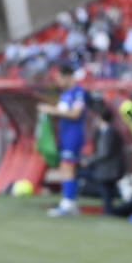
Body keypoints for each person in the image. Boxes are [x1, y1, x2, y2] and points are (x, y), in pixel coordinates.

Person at [38, 63, 87, 217]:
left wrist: (51, 110)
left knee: (68, 167)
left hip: (73, 134)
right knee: (64, 166)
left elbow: (75, 114)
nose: (57, 82)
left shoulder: (78, 92)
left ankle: (68, 203)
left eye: (59, 78)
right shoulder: (65, 94)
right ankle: (69, 201)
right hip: (64, 133)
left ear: (67, 76)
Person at [85, 101, 125, 214]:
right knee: (108, 191)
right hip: (108, 168)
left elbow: (104, 152)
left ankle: (109, 211)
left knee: (107, 191)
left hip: (109, 168)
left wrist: (89, 160)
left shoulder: (109, 132)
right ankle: (108, 210)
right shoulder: (106, 131)